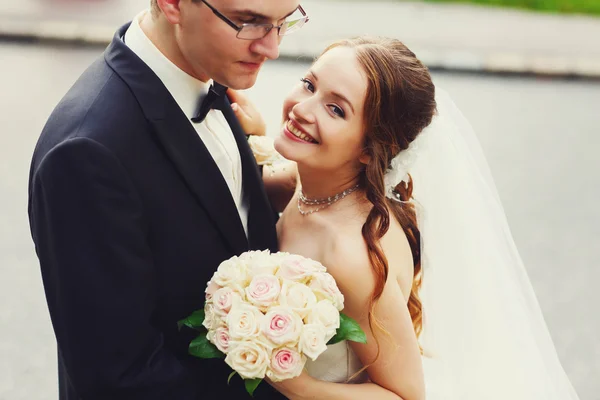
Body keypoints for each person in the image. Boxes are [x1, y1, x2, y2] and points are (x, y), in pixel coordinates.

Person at [236, 37, 581, 399]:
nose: (303, 109)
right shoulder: (308, 184)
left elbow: (405, 395)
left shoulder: (350, 256)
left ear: (371, 149)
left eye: (336, 110)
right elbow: (260, 182)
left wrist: (299, 387)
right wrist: (244, 133)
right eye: (309, 84)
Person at [27, 0, 305, 399]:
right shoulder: (87, 154)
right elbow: (121, 378)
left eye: (284, 22)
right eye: (249, 22)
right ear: (172, 4)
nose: (272, 48)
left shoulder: (204, 69)